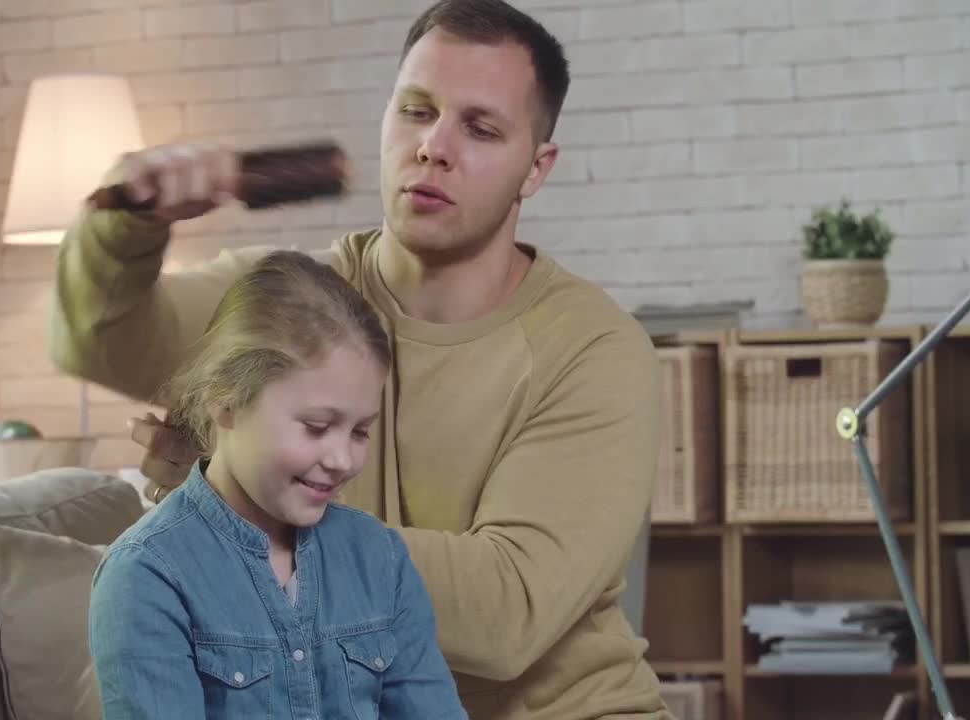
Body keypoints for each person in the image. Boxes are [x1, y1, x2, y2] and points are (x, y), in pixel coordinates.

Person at [51, 0, 669, 717]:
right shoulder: (286, 305)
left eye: (481, 127)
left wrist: (246, 497)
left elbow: (508, 611)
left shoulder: (595, 348)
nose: (434, 146)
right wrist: (125, 220)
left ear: (536, 169)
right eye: (416, 110)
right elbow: (98, 339)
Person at [87, 250, 468, 719]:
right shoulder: (148, 575)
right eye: (314, 426)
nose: (343, 459)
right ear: (225, 402)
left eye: (360, 431)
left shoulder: (380, 559)